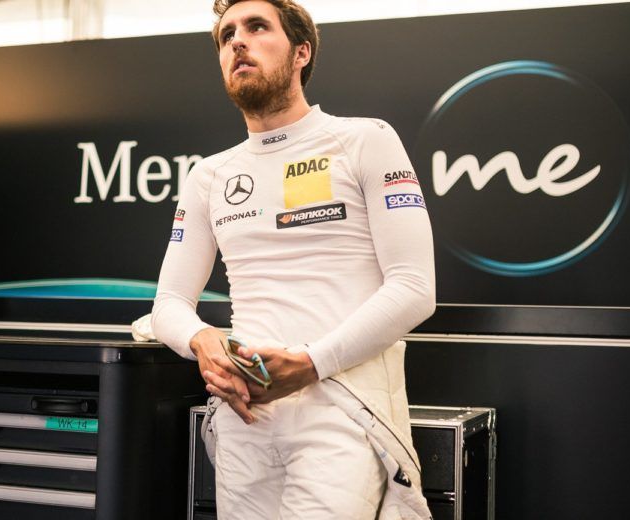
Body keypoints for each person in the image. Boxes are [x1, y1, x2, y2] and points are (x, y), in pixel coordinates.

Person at [150, 0, 436, 518]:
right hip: (245, 414)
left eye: (257, 27)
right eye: (227, 35)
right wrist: (203, 341)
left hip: (341, 405)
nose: (238, 41)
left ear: (301, 52)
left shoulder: (364, 139)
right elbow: (168, 303)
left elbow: (414, 288)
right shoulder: (209, 175)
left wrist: (309, 364)